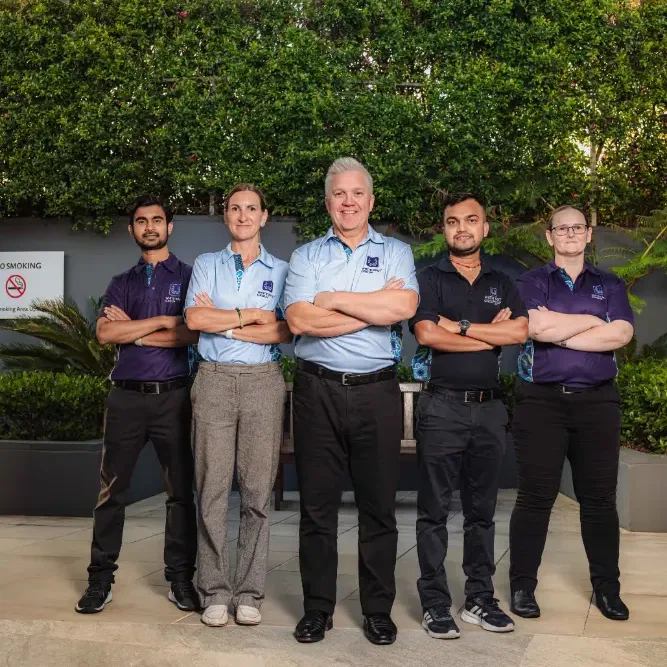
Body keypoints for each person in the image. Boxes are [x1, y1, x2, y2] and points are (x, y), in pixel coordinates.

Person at [284, 157, 419, 646]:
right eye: (339, 194)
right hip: (316, 391)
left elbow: (403, 307)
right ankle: (317, 609)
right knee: (316, 509)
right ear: (328, 202)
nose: (348, 202)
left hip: (376, 393)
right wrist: (369, 308)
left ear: (371, 200)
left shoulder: (398, 253)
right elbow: (299, 321)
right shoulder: (305, 257)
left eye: (356, 193)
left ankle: (378, 611)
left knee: (378, 509)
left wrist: (333, 299)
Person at [410, 193, 528, 639]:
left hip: (490, 408)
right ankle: (435, 603)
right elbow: (426, 333)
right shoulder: (430, 277)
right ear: (444, 229)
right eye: (453, 221)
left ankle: (480, 598)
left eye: (471, 220)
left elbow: (519, 330)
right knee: (434, 512)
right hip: (441, 408)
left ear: (485, 228)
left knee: (482, 513)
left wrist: (457, 327)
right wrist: (490, 336)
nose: (462, 228)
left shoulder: (503, 278)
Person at [75, 194, 200, 614]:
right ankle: (100, 580)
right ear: (132, 229)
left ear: (170, 227)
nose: (150, 227)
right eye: (142, 221)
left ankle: (181, 580)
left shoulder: (188, 276)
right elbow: (105, 334)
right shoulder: (121, 281)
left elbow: (192, 334)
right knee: (111, 494)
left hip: (174, 398)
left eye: (157, 220)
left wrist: (136, 331)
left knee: (181, 494)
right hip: (125, 398)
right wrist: (163, 322)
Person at [509, 205, 634, 622]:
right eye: (560, 228)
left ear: (588, 234)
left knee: (599, 501)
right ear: (549, 237)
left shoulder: (610, 283)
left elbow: (621, 333)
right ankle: (522, 586)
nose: (568, 233)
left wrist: (560, 330)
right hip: (540, 402)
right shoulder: (530, 281)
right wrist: (590, 321)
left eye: (576, 227)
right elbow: (535, 329)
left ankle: (607, 589)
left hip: (598, 403)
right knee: (535, 498)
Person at [184, 184, 292, 628]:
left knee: (256, 493)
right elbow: (195, 320)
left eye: (251, 209)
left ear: (264, 216)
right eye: (234, 208)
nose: (243, 215)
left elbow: (285, 332)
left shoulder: (283, 270)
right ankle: (213, 590)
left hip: (263, 383)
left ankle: (248, 592)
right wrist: (251, 317)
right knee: (210, 490)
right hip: (212, 381)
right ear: (225, 216)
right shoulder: (206, 264)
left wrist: (223, 322)